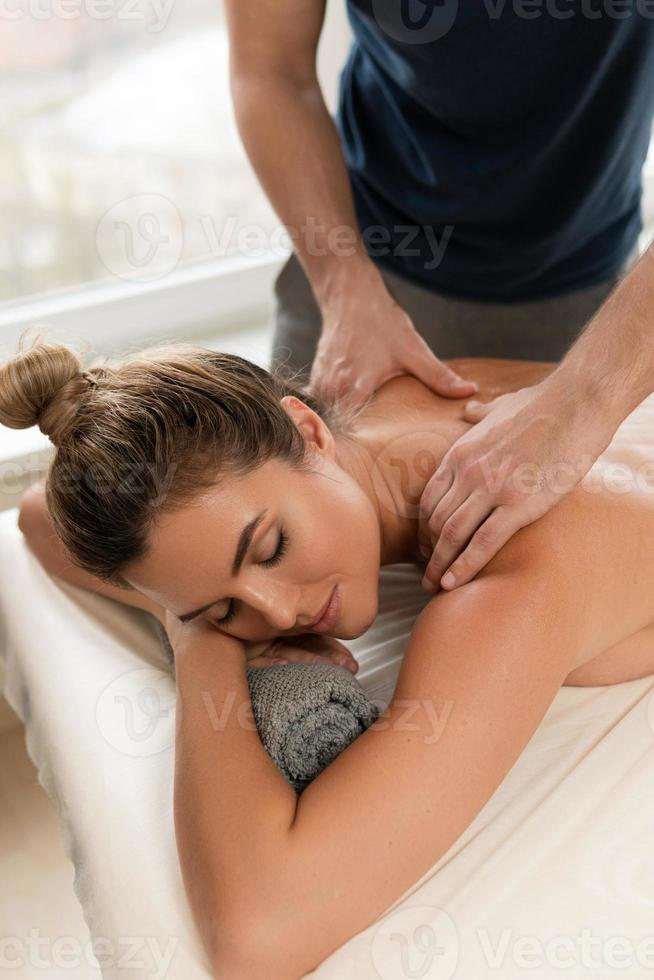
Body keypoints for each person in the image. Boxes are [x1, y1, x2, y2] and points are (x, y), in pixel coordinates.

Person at [6, 338, 654, 978]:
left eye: (269, 548)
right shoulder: (389, 395)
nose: (277, 615)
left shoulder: (509, 581)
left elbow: (258, 938)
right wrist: (190, 615)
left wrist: (196, 634)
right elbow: (38, 515)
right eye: (226, 608)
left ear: (308, 429)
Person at [225, 1, 654, 597]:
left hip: (591, 288)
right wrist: (345, 290)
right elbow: (269, 69)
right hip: (357, 259)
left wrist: (583, 399)